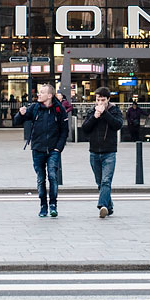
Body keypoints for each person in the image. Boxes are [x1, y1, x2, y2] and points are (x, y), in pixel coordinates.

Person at [15, 81, 72, 218]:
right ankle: (43, 206)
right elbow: (16, 122)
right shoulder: (35, 108)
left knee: (52, 176)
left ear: (50, 95)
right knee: (41, 179)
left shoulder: (59, 110)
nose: (38, 94)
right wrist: (21, 114)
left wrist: (58, 148)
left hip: (53, 149)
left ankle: (53, 204)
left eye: (42, 92)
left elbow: (65, 131)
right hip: (38, 149)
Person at [82, 88, 122, 218]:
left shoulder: (114, 111)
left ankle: (102, 206)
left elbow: (117, 125)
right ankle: (109, 207)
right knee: (99, 182)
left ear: (108, 99)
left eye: (103, 100)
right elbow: (85, 128)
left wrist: (105, 113)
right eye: (98, 100)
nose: (100, 102)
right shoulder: (91, 111)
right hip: (94, 151)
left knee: (106, 181)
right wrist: (94, 117)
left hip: (109, 151)